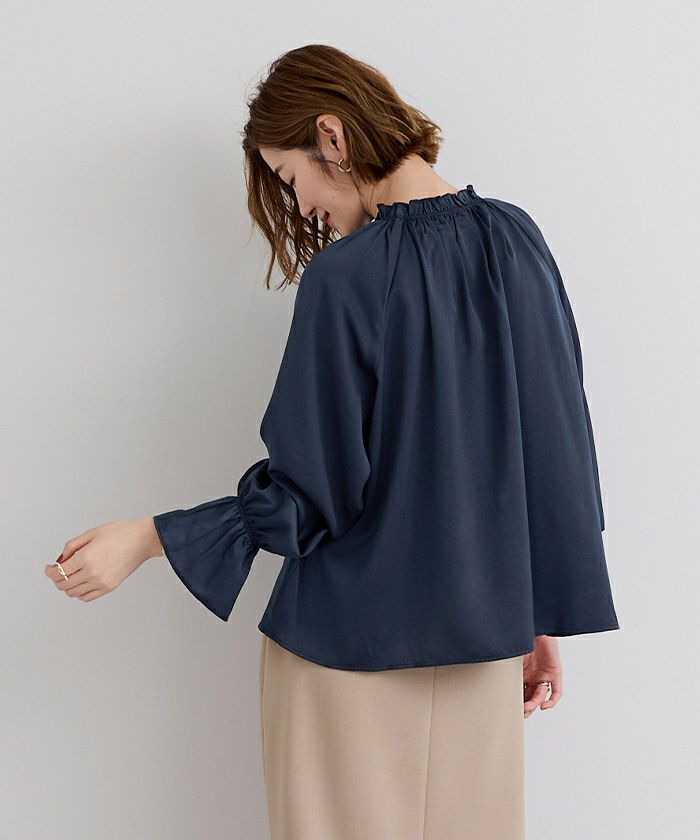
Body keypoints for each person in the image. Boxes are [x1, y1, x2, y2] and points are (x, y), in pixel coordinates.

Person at [44, 44, 620, 840]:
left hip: (344, 655)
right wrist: (532, 614)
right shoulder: (517, 242)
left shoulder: (349, 277)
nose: (303, 206)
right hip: (484, 652)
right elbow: (552, 449)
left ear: (332, 136)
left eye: (290, 178)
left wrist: (148, 538)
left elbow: (309, 493)